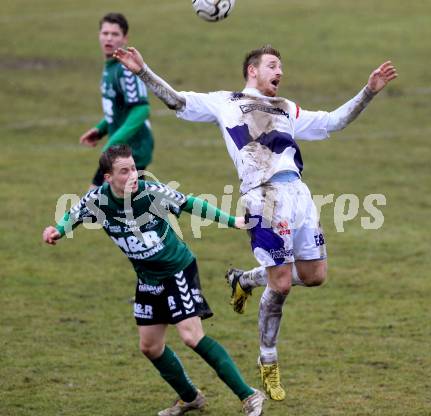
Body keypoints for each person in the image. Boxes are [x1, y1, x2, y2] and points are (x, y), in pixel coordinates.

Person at [113, 45, 398, 401]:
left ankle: (244, 279)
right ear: (252, 70)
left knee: (315, 275)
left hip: (299, 196)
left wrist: (368, 91)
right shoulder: (226, 101)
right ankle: (268, 359)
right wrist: (143, 71)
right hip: (263, 197)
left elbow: (332, 121)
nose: (280, 71)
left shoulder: (287, 108)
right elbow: (177, 101)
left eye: (281, 66)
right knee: (281, 285)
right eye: (273, 65)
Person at [42, 145, 266, 416]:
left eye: (134, 168)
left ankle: (248, 395)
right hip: (147, 277)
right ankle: (191, 397)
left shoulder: (151, 194)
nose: (133, 175)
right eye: (124, 171)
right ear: (108, 178)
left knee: (191, 336)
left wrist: (233, 221)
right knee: (150, 347)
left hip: (177, 270)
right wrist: (58, 231)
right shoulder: (97, 201)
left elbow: (189, 203)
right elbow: (73, 216)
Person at [79, 13, 154, 189]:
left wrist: (114, 141)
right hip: (118, 151)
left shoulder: (127, 69)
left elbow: (141, 109)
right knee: (101, 204)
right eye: (105, 33)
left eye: (115, 34)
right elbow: (118, 109)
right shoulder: (111, 67)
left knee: (98, 202)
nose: (109, 38)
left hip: (132, 151)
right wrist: (100, 130)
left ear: (125, 38)